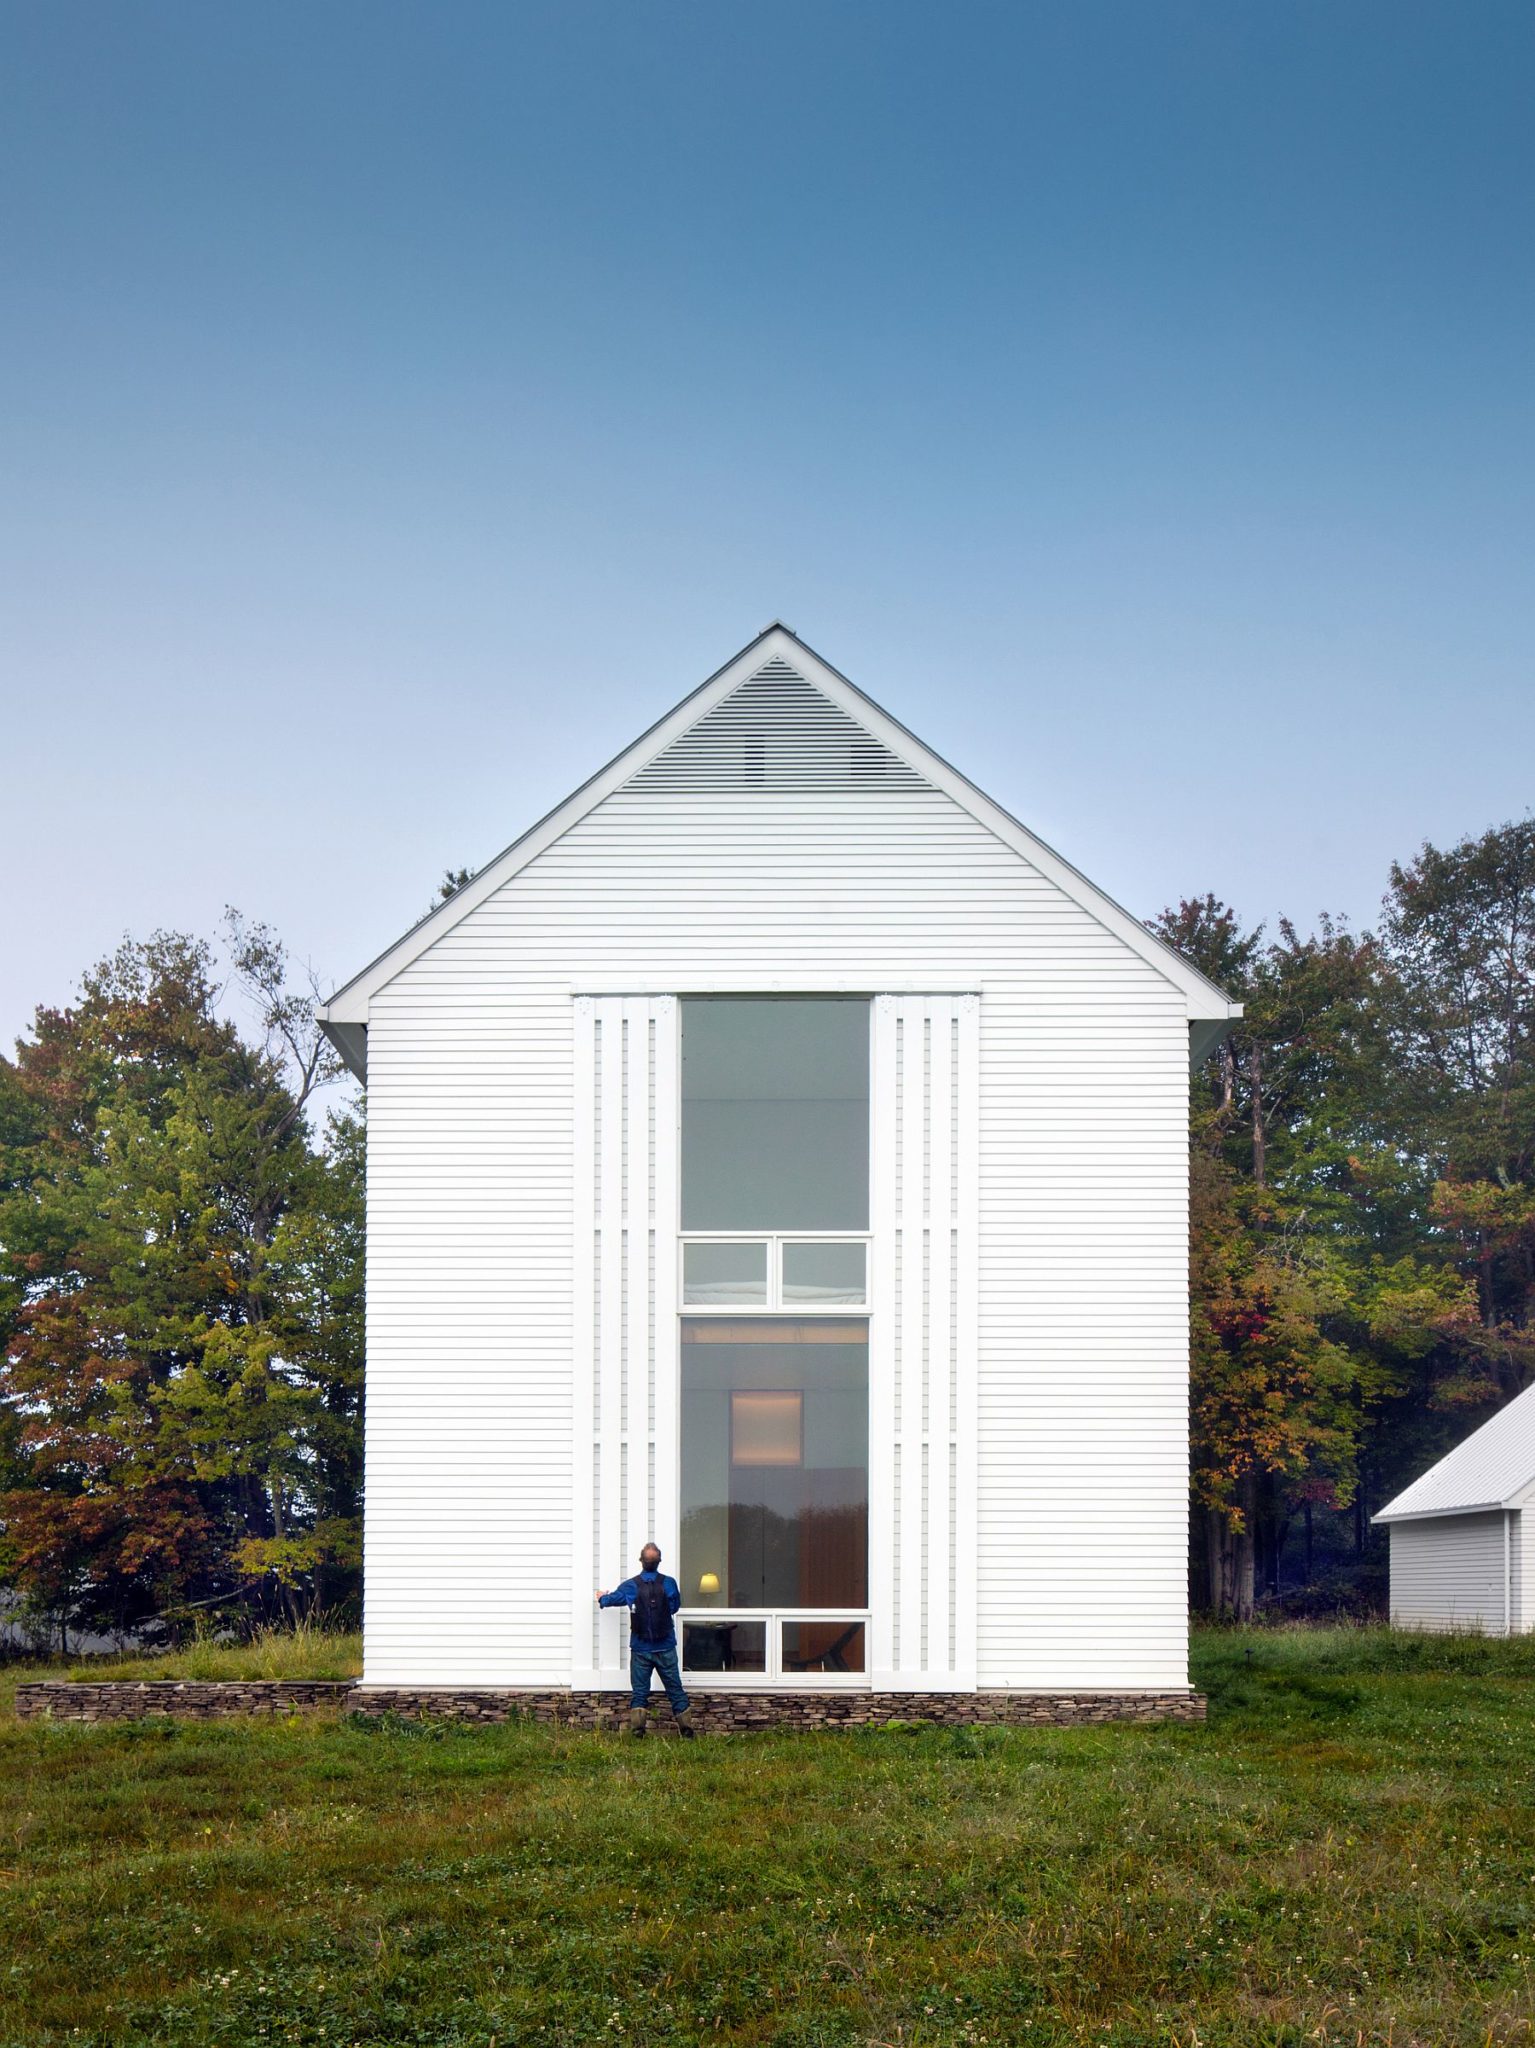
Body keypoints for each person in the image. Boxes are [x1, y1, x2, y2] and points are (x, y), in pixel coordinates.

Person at [597, 1542, 697, 1738]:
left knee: (640, 1691)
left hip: (640, 1648)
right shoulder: (669, 1583)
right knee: (675, 1688)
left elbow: (611, 1600)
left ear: (641, 1561)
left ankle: (638, 1732)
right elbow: (675, 1607)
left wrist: (602, 1597)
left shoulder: (630, 1586)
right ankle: (686, 1731)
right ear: (659, 1562)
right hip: (666, 1646)